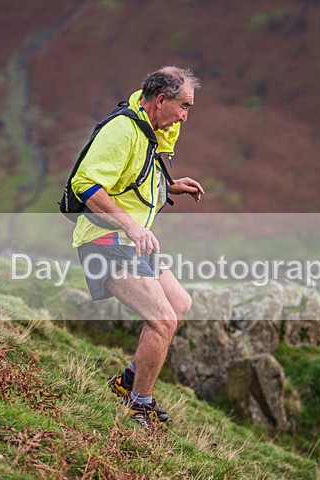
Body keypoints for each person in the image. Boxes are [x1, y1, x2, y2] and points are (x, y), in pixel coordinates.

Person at [69, 66, 204, 429]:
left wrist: (169, 185)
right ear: (161, 100)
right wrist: (130, 224)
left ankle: (129, 381)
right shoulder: (123, 129)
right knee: (162, 320)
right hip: (104, 240)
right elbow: (85, 183)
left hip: (130, 240)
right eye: (184, 106)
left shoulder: (149, 129)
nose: (185, 117)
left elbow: (140, 170)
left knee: (179, 304)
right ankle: (138, 404)